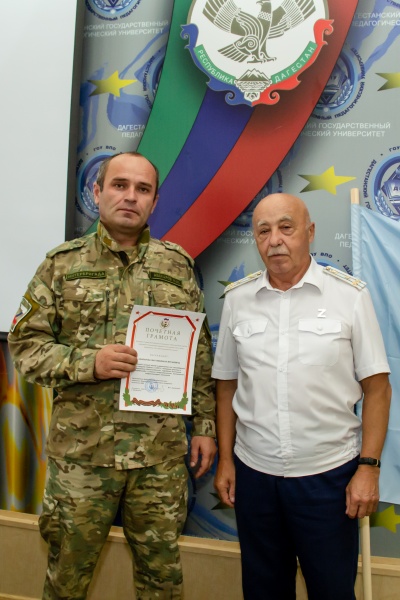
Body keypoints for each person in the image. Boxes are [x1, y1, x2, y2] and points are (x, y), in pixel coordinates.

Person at [8, 151, 216, 600]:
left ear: (155, 202)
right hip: (82, 457)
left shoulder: (177, 265)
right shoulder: (61, 264)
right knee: (67, 581)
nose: (130, 197)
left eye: (143, 189)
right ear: (97, 191)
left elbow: (198, 355)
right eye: (120, 185)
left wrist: (204, 427)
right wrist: (89, 363)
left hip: (158, 457)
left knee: (162, 582)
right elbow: (25, 347)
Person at [212, 193, 391, 600]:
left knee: (332, 590)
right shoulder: (238, 299)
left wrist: (368, 468)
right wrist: (226, 459)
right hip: (255, 477)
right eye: (263, 231)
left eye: (286, 228)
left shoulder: (349, 296)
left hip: (328, 478)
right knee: (264, 590)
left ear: (310, 232)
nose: (275, 240)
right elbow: (227, 385)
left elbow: (377, 388)